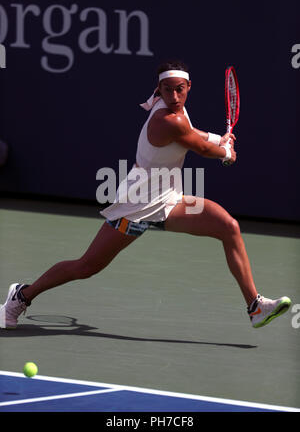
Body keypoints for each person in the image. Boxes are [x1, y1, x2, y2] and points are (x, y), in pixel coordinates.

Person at [0, 60, 291, 330]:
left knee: (229, 227)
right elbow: (200, 148)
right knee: (87, 266)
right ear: (159, 88)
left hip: (168, 200)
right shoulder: (167, 119)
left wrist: (219, 138)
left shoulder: (178, 114)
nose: (174, 96)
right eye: (167, 90)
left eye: (180, 89)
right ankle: (21, 296)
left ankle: (255, 306)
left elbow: (194, 133)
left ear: (188, 87)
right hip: (138, 205)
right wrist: (225, 152)